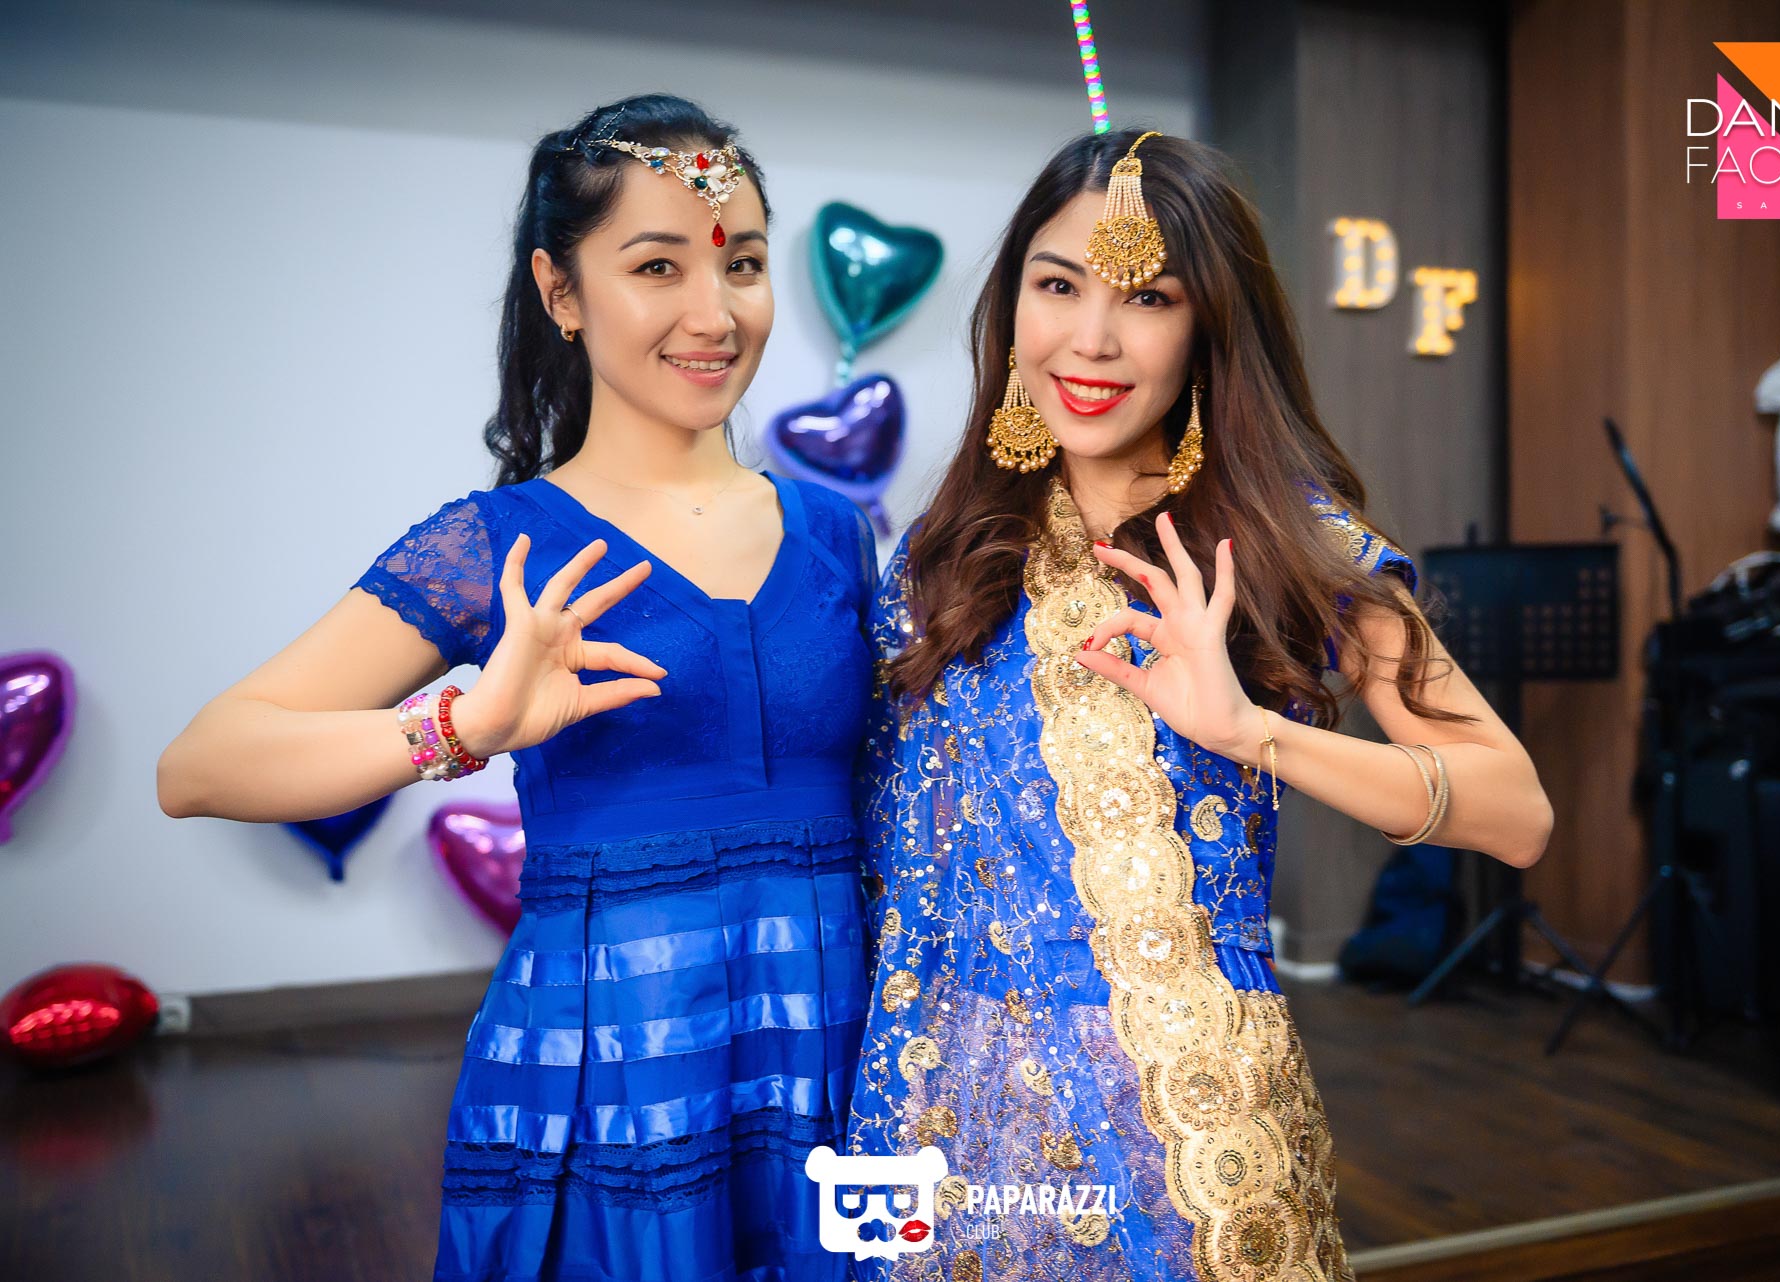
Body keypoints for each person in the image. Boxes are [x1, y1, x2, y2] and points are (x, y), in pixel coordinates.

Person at [157, 94, 873, 1282]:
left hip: (832, 1054)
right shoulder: (500, 544)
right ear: (561, 291)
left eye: (741, 265)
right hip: (615, 1079)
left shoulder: (838, 533)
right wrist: (466, 725)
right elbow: (201, 764)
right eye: (657, 266)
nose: (715, 313)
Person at [844, 130, 1554, 1282]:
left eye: (1148, 297)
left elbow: (1516, 812)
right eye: (1058, 285)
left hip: (1189, 1150)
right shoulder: (943, 559)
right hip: (943, 1129)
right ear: (1013, 302)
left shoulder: (1283, 543)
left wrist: (1248, 732)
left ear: (1210, 326)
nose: (1091, 338)